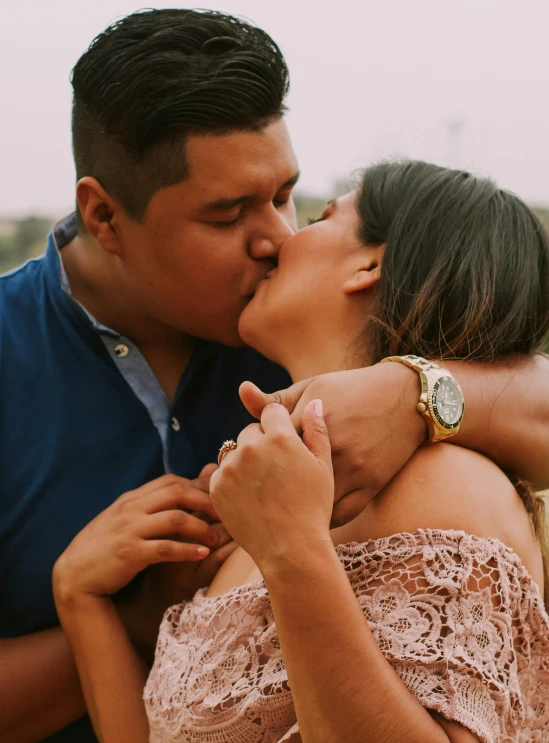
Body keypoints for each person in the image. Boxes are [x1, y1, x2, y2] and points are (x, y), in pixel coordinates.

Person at [1, 9, 549, 743]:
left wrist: (411, 394)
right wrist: (114, 614)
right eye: (226, 214)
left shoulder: (298, 339)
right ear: (103, 214)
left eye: (287, 195)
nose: (277, 237)